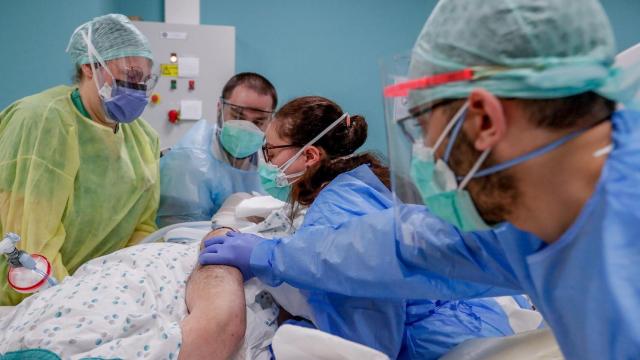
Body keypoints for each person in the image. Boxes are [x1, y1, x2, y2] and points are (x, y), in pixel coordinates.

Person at [194, 0, 640, 358]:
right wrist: (274, 254)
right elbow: (400, 248)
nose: (426, 156)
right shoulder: (536, 212)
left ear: (484, 119)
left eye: (426, 130)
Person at [200, 96, 538, 358]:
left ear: (310, 156)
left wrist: (276, 272)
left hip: (448, 341)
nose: (267, 162)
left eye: (271, 151)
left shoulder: (335, 207)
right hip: (482, 318)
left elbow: (370, 339)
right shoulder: (363, 182)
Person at [0, 14, 160, 306]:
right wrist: (69, 302)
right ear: (90, 66)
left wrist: (136, 284)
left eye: (146, 79)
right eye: (131, 74)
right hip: (27, 296)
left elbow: (143, 229)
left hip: (99, 291)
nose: (138, 88)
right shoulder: (42, 121)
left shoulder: (144, 139)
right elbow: (33, 240)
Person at [157, 73, 277, 227]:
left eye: (258, 121)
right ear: (220, 107)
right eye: (238, 116)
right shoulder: (189, 160)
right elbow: (177, 231)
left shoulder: (272, 161)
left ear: (271, 121)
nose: (247, 127)